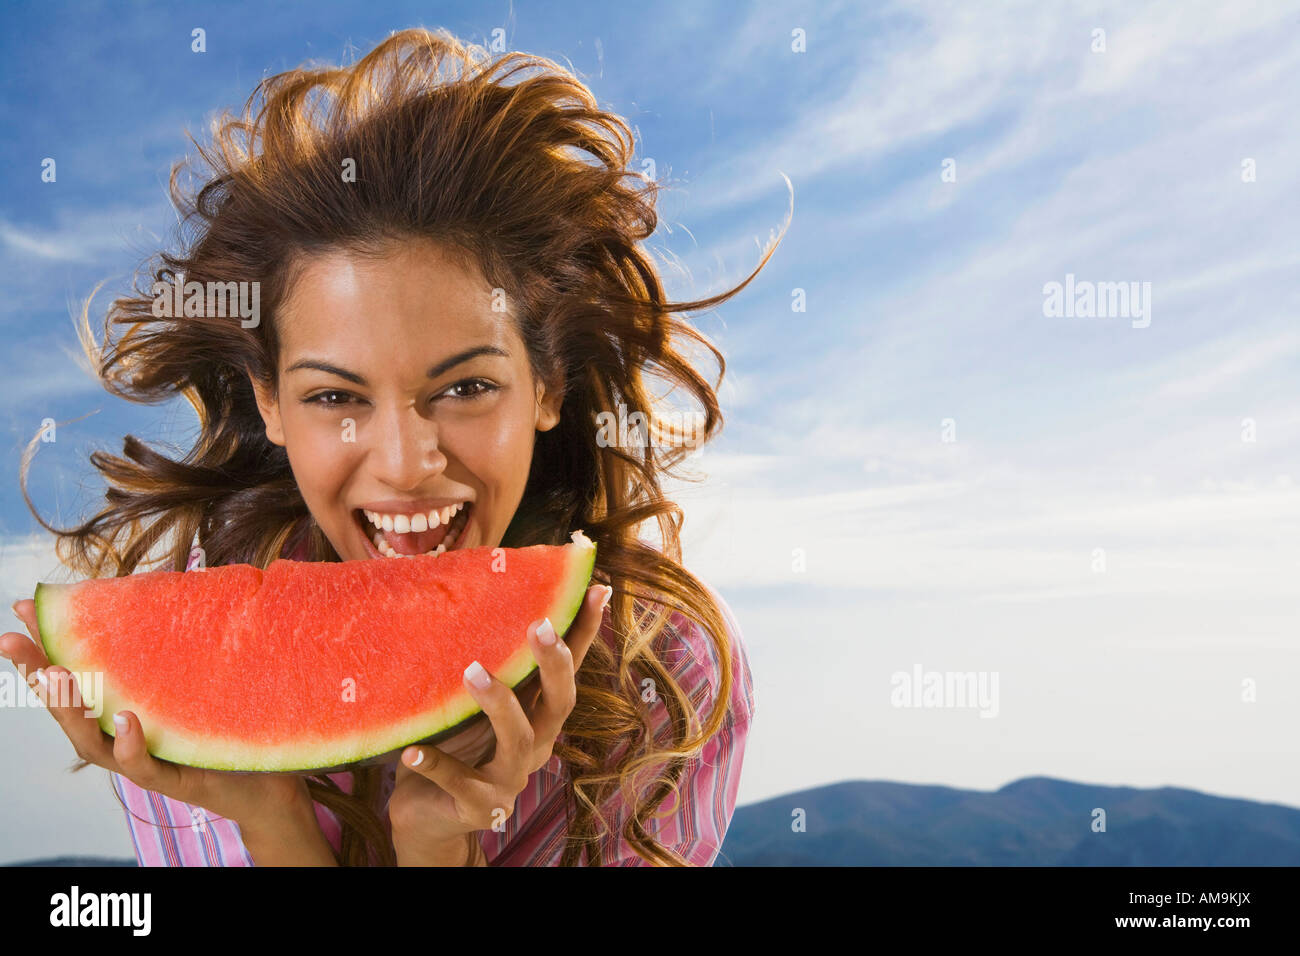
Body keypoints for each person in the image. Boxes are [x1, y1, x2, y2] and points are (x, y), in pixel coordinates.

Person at [4, 26, 778, 866]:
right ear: (269, 402)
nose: (406, 465)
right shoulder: (200, 665)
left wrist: (439, 847)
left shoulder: (665, 667)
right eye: (335, 397)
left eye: (466, 389)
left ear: (548, 386)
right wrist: (269, 818)